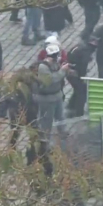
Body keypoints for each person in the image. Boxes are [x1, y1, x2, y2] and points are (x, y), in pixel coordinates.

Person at [33, 43, 70, 176]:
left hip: (57, 96)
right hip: (46, 99)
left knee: (61, 120)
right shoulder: (43, 67)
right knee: (46, 123)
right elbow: (51, 80)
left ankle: (64, 142)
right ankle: (45, 146)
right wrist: (62, 71)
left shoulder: (56, 63)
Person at [65, 39, 97, 117]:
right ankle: (79, 112)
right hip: (75, 73)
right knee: (82, 91)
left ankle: (71, 106)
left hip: (69, 70)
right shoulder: (86, 51)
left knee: (77, 88)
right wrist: (82, 76)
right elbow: (83, 64)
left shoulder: (79, 46)